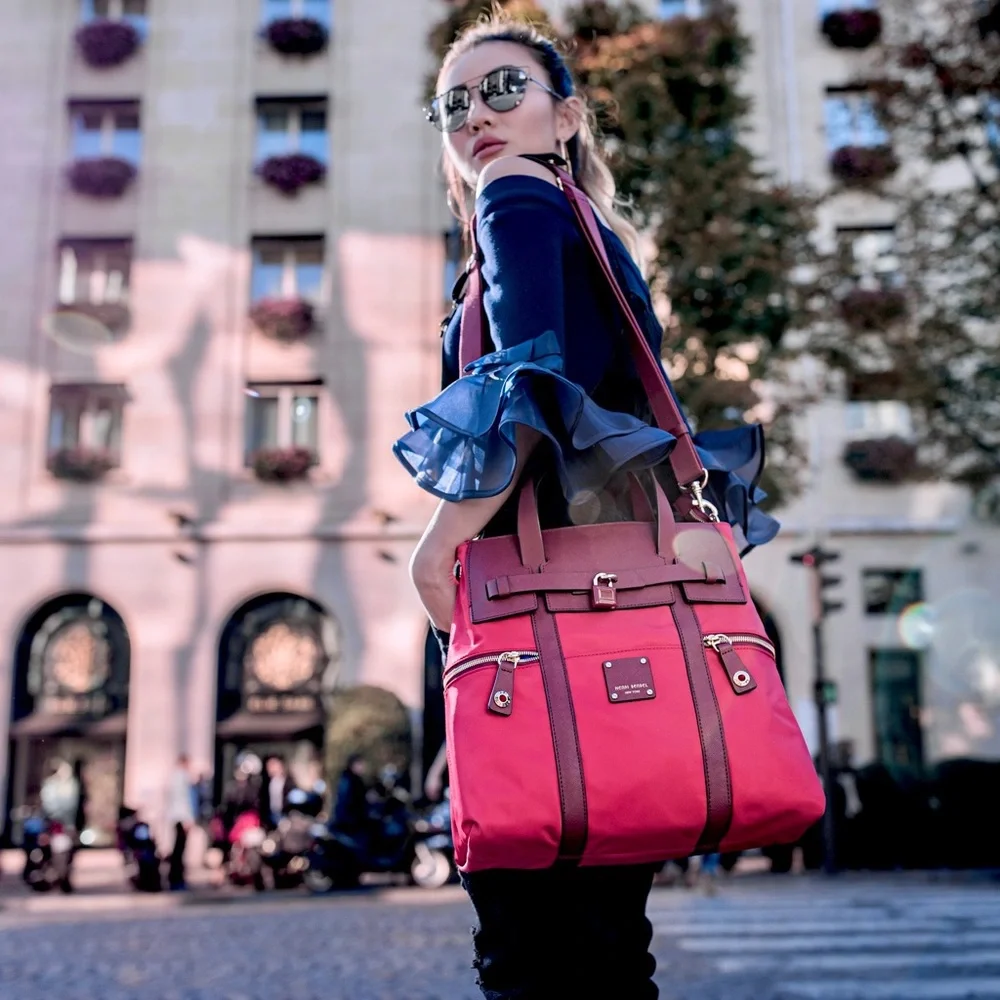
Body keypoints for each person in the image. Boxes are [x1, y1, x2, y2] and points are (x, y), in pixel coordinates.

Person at [394, 14, 773, 999]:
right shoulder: (578, 219)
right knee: (605, 952)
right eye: (455, 103)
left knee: (528, 956)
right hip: (614, 622)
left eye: (503, 88)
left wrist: (436, 551)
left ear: (565, 114)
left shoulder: (514, 194)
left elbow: (533, 380)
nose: (476, 114)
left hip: (538, 624)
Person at [165, 753, 195, 890]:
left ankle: (175, 878)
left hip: (175, 817)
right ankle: (177, 878)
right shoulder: (182, 777)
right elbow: (184, 800)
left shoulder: (174, 777)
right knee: (179, 849)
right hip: (181, 818)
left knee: (177, 849)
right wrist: (187, 819)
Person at [260, 755, 295, 830]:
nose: (269, 768)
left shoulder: (289, 782)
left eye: (272, 765)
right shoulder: (266, 783)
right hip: (271, 817)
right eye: (268, 766)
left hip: (286, 816)